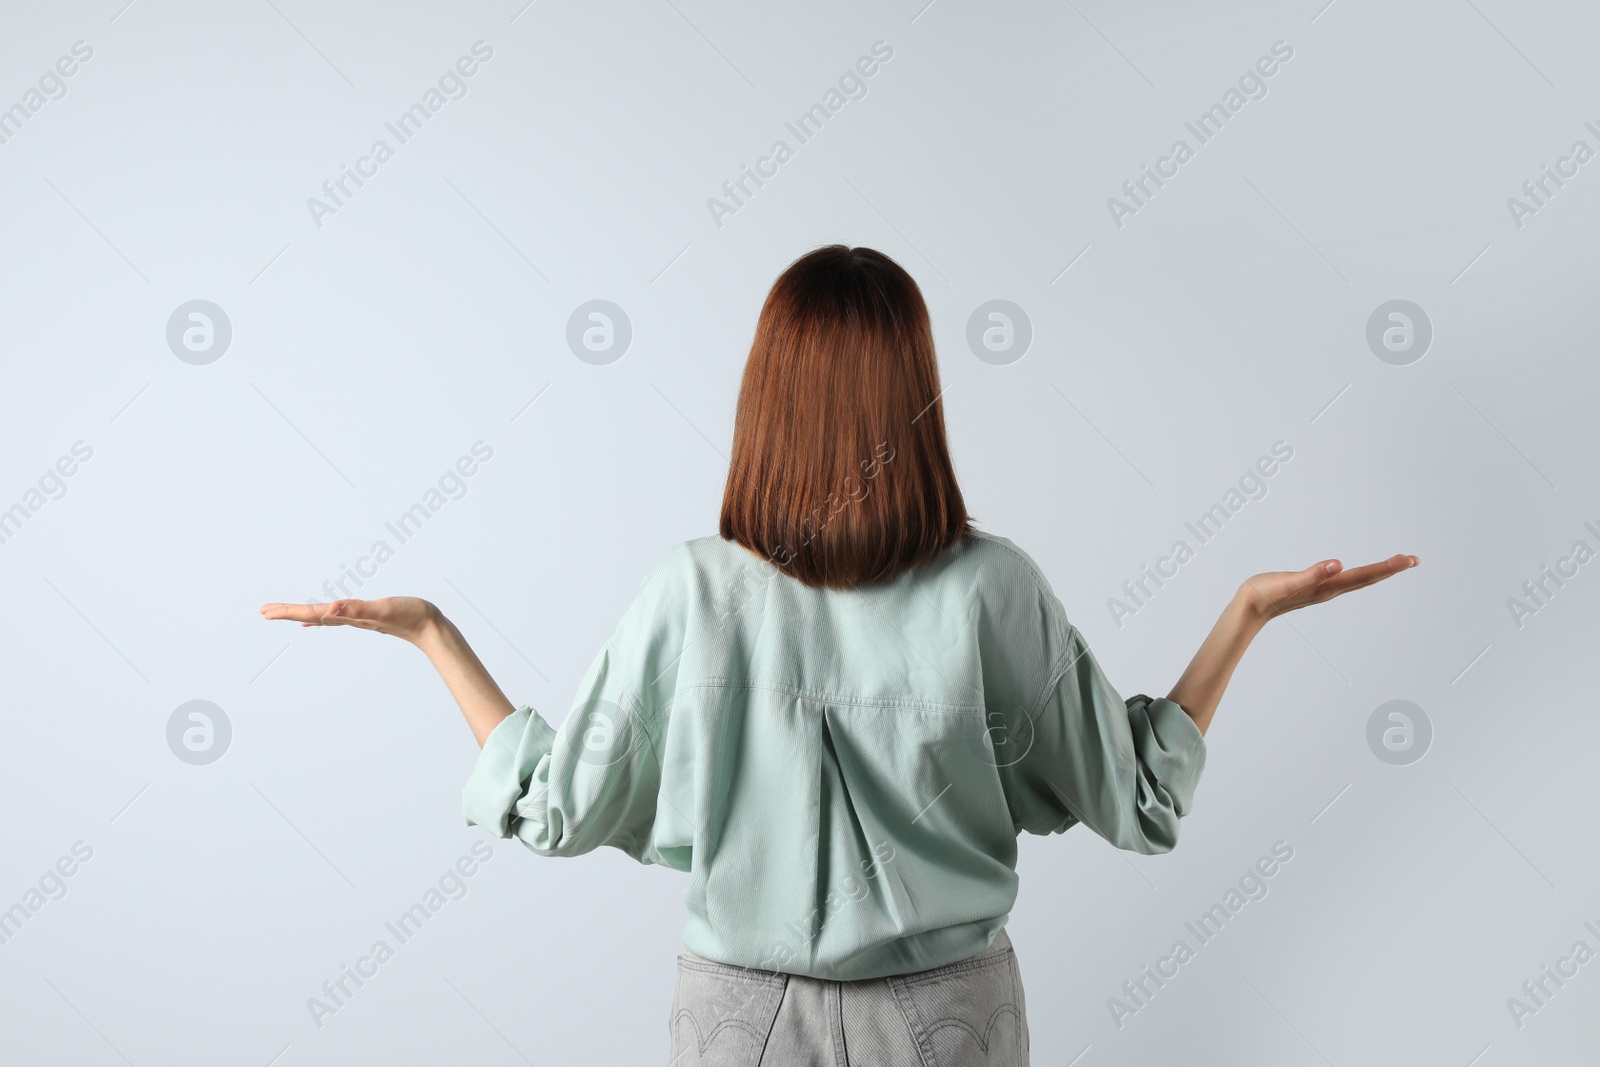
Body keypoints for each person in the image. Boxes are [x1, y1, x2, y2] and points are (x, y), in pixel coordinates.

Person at [261, 245, 1418, 1066]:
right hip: (947, 1016)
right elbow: (1141, 800)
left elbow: (559, 809)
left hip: (737, 1019)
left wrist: (433, 637)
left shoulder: (691, 590)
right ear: (916, 396)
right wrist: (1243, 616)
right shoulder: (989, 587)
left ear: (767, 396)